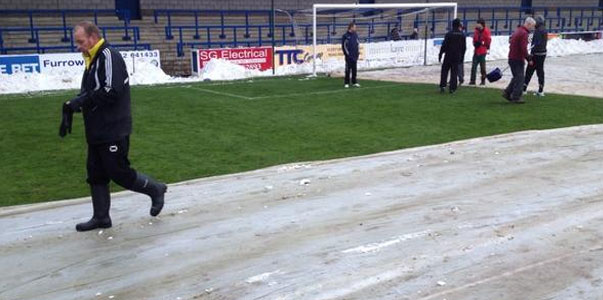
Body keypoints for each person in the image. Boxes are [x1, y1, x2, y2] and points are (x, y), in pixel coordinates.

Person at [59, 21, 167, 232]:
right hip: (97, 129)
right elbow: (91, 91)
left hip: (112, 127)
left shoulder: (108, 56)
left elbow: (110, 91)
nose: (78, 46)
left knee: (118, 171)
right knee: (96, 172)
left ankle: (155, 189)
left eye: (81, 42)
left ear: (92, 37)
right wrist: (71, 106)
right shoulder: (92, 59)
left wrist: (79, 103)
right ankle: (101, 217)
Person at [503, 17, 535, 103]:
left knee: (516, 77)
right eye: (532, 26)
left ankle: (507, 92)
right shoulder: (524, 33)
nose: (532, 28)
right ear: (528, 24)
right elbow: (523, 48)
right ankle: (516, 96)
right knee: (520, 78)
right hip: (517, 58)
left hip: (512, 57)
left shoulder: (518, 30)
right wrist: (528, 58)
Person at [439, 18, 466, 94]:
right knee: (454, 72)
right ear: (459, 25)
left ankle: (443, 86)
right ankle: (452, 88)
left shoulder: (449, 34)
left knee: (445, 71)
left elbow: (444, 45)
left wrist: (440, 54)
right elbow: (464, 48)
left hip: (448, 55)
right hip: (457, 56)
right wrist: (462, 57)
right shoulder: (462, 35)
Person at [523, 15, 547, 97]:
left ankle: (524, 88)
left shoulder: (538, 31)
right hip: (543, 54)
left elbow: (536, 43)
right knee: (540, 72)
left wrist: (531, 53)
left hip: (536, 54)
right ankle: (541, 90)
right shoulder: (544, 30)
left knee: (529, 70)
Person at [469, 18, 492, 86]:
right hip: (476, 51)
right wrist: (474, 43)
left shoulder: (486, 31)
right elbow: (474, 39)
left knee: (482, 67)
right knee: (474, 67)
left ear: (481, 24)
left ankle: (483, 80)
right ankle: (472, 80)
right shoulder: (476, 31)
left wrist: (482, 43)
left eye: (478, 23)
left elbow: (488, 41)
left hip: (482, 51)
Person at [342, 22, 360, 88]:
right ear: (351, 27)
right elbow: (344, 46)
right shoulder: (345, 36)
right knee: (348, 70)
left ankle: (354, 82)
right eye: (354, 27)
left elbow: (357, 44)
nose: (355, 28)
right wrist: (347, 54)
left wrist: (357, 52)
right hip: (348, 56)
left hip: (355, 55)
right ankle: (346, 82)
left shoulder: (355, 35)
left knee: (354, 69)